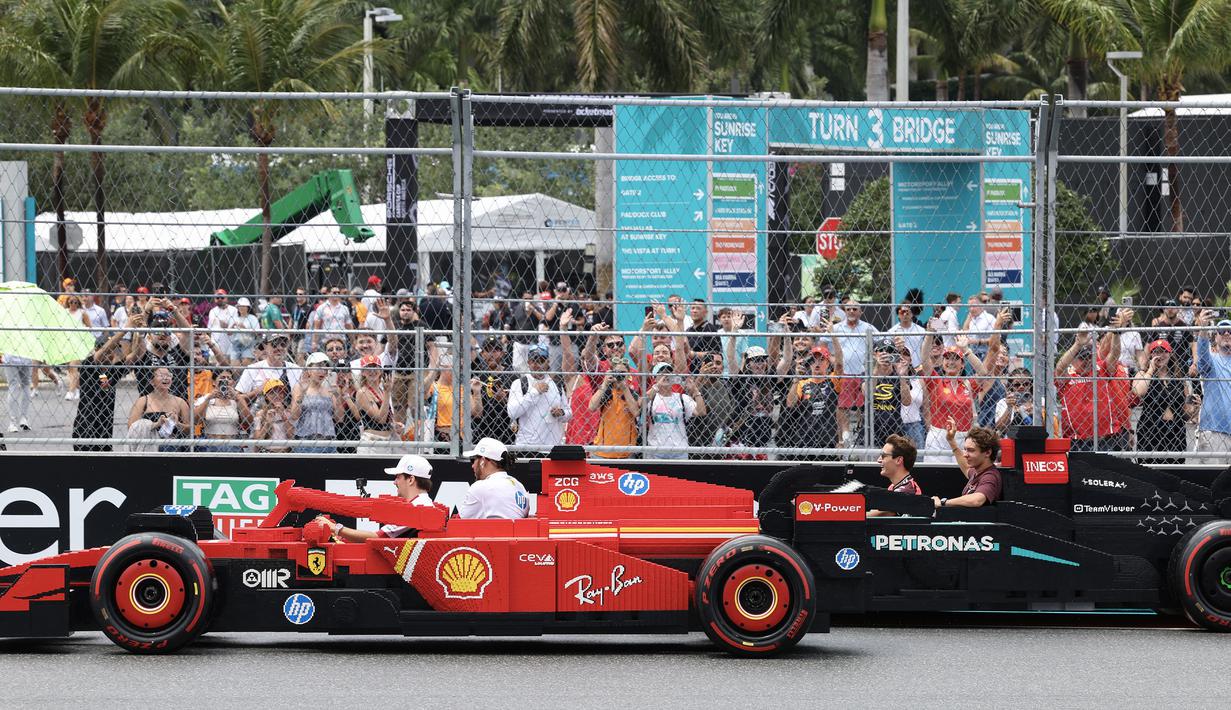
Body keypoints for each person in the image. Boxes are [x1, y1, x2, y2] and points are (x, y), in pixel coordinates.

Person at [1055, 312, 1133, 452]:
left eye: (1088, 357)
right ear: (1073, 360)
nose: (1086, 361)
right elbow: (1060, 367)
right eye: (1081, 358)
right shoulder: (1068, 377)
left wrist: (1115, 333)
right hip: (1077, 440)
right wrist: (1077, 345)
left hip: (1107, 439)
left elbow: (1114, 355)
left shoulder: (1100, 370)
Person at [321, 454, 435, 542]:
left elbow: (375, 538)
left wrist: (335, 528)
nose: (395, 482)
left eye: (398, 477)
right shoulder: (423, 503)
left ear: (411, 480)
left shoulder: (416, 508)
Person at [508, 344, 571, 451]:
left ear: (548, 362)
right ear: (528, 363)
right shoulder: (520, 383)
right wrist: (534, 392)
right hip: (527, 447)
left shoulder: (556, 384)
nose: (536, 365)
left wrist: (561, 413)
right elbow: (512, 413)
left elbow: (569, 413)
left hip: (552, 447)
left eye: (541, 360)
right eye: (533, 361)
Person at [933, 421, 1002, 509]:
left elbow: (977, 500)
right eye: (965, 449)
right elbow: (965, 467)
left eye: (971, 450)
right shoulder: (976, 472)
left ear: (987, 452)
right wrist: (951, 441)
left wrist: (943, 502)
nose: (965, 454)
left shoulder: (990, 476)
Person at [643, 362, 705, 459]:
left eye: (669, 373)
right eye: (662, 373)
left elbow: (701, 412)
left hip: (679, 452)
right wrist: (656, 387)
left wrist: (695, 390)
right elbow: (640, 404)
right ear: (655, 378)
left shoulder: (682, 398)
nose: (666, 375)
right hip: (655, 453)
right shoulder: (652, 398)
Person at [459, 437, 529, 519]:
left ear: (483, 461)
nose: (472, 465)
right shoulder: (519, 486)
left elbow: (460, 523)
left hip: (497, 531)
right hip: (516, 531)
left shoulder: (480, 487)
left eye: (473, 460)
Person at [126, 366, 191, 452]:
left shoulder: (180, 402)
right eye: (161, 375)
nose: (166, 378)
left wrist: (177, 424)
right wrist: (156, 424)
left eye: (168, 375)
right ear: (152, 382)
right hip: (149, 446)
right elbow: (131, 427)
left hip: (173, 446)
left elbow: (190, 429)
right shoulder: (143, 401)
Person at [291, 352, 344, 453]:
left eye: (325, 368)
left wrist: (338, 397)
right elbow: (294, 415)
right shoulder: (300, 387)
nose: (322, 371)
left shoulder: (331, 389)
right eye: (319, 367)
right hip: (305, 442)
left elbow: (340, 418)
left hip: (328, 442)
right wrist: (301, 395)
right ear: (309, 370)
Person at [1194, 312, 1231, 453]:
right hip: (1215, 431)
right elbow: (1202, 358)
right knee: (1213, 474)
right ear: (1215, 337)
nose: (1226, 333)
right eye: (1222, 330)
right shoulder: (1212, 360)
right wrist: (1203, 329)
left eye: (1230, 330)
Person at [192, 368, 251, 452]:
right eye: (222, 378)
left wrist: (237, 398)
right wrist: (208, 399)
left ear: (233, 383)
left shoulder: (237, 399)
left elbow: (249, 421)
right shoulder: (206, 398)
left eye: (229, 378)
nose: (226, 380)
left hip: (232, 445)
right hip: (210, 445)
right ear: (214, 382)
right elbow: (194, 421)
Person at [868, 434, 922, 516]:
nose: (879, 460)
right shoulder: (897, 486)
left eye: (883, 456)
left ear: (899, 460)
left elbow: (879, 514)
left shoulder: (907, 490)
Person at [253, 379, 295, 452]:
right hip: (268, 452)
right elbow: (257, 441)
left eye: (280, 392)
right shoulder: (261, 413)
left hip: (286, 452)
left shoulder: (288, 412)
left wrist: (283, 416)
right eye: (272, 393)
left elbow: (292, 437)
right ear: (266, 396)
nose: (277, 395)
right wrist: (267, 423)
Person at [229, 297, 261, 365]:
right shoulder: (234, 318)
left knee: (246, 366)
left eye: (243, 306)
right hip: (235, 346)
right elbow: (229, 333)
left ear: (248, 307)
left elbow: (257, 333)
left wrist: (245, 328)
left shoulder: (253, 318)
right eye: (239, 306)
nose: (241, 308)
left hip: (248, 345)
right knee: (235, 368)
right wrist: (232, 326)